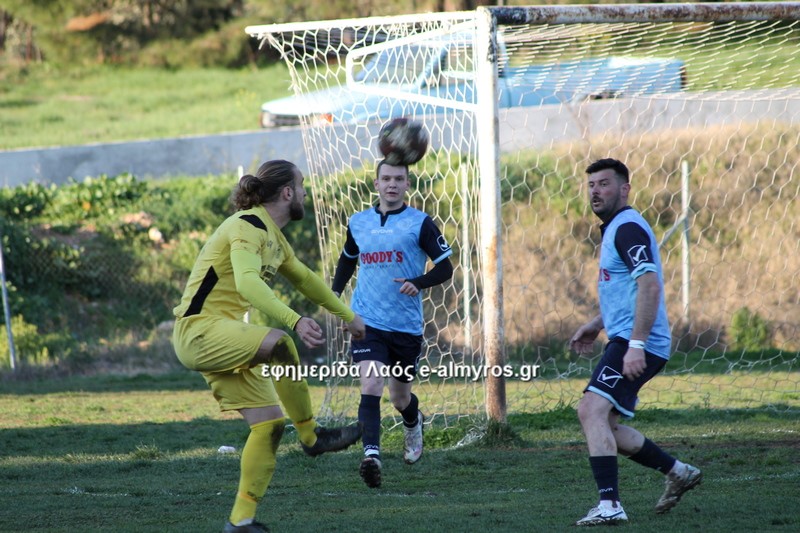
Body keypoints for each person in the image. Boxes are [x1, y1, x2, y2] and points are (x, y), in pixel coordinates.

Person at [172, 159, 367, 533]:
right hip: (198, 331)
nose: (306, 193)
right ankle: (311, 435)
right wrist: (295, 319)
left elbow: (306, 280)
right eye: (302, 185)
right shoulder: (246, 225)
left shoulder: (275, 238)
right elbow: (247, 283)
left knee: (270, 426)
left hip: (221, 334)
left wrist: (349, 316)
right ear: (288, 192)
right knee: (280, 343)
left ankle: (240, 522)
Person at [570, 158, 702, 526]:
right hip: (626, 338)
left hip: (636, 341)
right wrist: (596, 324)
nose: (595, 191)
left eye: (604, 184)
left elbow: (650, 285)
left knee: (590, 410)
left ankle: (610, 505)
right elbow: (627, 290)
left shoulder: (627, 228)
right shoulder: (616, 228)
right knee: (605, 424)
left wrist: (637, 345)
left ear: (625, 189)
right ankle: (678, 471)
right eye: (591, 185)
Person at [331, 159, 453, 488]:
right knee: (371, 384)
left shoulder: (420, 223)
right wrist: (333, 296)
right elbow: (347, 259)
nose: (392, 184)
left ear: (407, 184)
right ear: (376, 184)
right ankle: (372, 456)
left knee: (400, 399)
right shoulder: (358, 222)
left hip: (405, 326)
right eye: (386, 178)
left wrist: (418, 282)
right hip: (366, 321)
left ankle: (413, 422)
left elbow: (445, 268)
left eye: (399, 179)